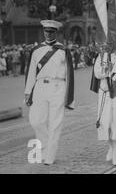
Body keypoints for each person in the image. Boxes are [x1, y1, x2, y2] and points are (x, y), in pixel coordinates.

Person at [24, 20, 74, 165]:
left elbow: (70, 74)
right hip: (40, 87)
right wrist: (28, 92)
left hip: (58, 87)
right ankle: (45, 146)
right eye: (46, 31)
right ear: (43, 32)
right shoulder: (36, 50)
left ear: (56, 33)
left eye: (51, 32)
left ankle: (49, 155)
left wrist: (69, 97)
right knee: (36, 121)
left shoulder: (63, 50)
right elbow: (31, 73)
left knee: (55, 123)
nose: (48, 34)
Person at [90, 42, 116, 166]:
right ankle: (111, 147)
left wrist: (114, 69)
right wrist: (107, 70)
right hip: (105, 93)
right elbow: (97, 73)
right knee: (104, 123)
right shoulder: (102, 56)